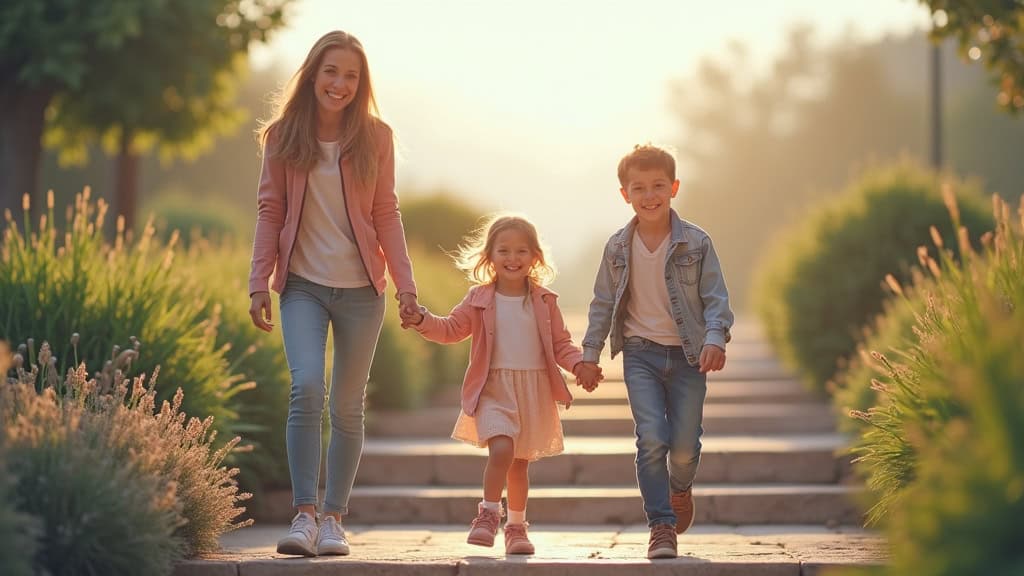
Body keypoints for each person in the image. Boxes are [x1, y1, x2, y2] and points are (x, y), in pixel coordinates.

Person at [247, 30, 419, 557]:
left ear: (360, 84)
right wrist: (259, 281)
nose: (340, 84)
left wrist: (406, 287)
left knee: (347, 407)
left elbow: (386, 213)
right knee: (306, 388)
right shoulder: (282, 136)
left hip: (362, 292)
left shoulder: (376, 136)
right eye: (331, 72)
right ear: (313, 75)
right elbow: (270, 210)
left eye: (351, 76)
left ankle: (334, 520)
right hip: (301, 286)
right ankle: (303, 515)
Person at [400, 214, 601, 555]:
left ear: (535, 256)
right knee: (503, 450)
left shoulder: (544, 301)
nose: (512, 258)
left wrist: (580, 365)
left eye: (521, 251)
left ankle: (517, 527)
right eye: (503, 250)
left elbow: (560, 345)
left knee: (519, 465)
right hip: (493, 388)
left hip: (532, 391)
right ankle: (488, 514)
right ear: (489, 256)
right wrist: (422, 319)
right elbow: (450, 329)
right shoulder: (479, 298)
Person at [578, 144, 733, 559]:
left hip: (688, 357)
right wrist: (589, 354)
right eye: (639, 187)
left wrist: (715, 337)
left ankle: (679, 487)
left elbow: (716, 297)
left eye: (658, 186)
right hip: (640, 354)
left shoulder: (697, 243)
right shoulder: (616, 248)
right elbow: (602, 303)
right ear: (624, 194)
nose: (649, 196)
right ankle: (661, 525)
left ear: (674, 187)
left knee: (684, 447)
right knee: (651, 439)